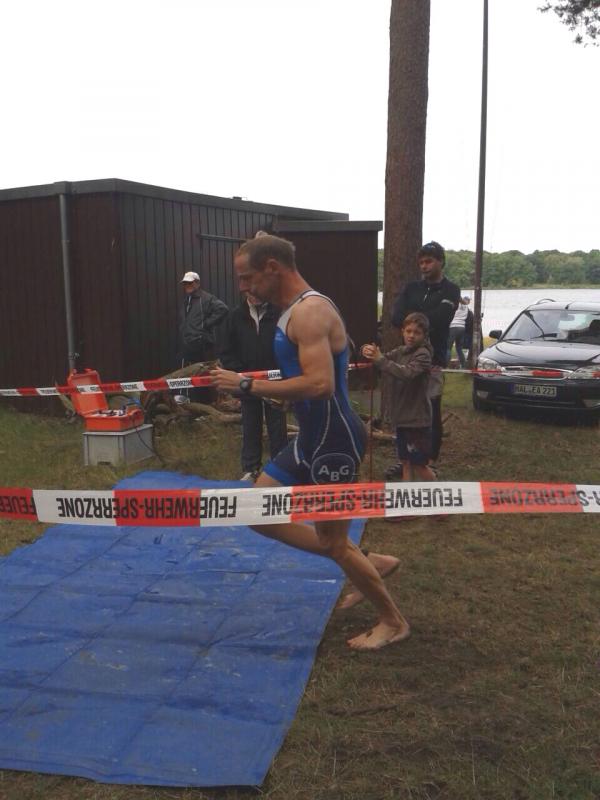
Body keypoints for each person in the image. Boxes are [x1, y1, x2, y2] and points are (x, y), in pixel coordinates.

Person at [211, 234, 409, 651]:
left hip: (333, 442)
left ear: (272, 268)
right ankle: (370, 561)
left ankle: (393, 621)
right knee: (257, 511)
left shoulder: (310, 312)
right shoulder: (294, 311)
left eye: (247, 277)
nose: (243, 287)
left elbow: (320, 385)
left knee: (332, 542)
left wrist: (247, 385)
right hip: (311, 438)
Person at [389, 241, 460, 477]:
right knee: (408, 409)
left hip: (434, 359)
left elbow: (442, 318)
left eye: (429, 261)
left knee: (431, 409)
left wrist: (414, 320)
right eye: (421, 262)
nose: (424, 266)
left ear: (441, 261)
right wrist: (418, 323)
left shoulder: (451, 290)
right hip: (408, 358)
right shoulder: (412, 288)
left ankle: (429, 460)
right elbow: (395, 316)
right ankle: (407, 458)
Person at [219, 291, 288, 482]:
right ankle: (251, 469)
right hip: (246, 383)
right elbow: (225, 350)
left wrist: (283, 373)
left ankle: (280, 468)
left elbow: (288, 344)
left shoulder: (278, 313)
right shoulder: (235, 316)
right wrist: (239, 374)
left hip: (274, 383)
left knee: (277, 427)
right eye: (251, 291)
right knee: (250, 425)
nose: (255, 295)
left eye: (258, 291)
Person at [362, 312, 435, 483]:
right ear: (402, 331)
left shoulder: (423, 355)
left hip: (417, 422)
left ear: (424, 335)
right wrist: (369, 351)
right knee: (405, 462)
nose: (411, 335)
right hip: (402, 419)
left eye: (417, 332)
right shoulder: (401, 351)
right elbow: (382, 359)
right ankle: (406, 495)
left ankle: (437, 492)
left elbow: (406, 373)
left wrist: (380, 360)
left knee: (419, 464)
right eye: (408, 331)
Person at [178, 271, 228, 401]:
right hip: (188, 342)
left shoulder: (206, 298)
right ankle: (186, 397)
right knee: (187, 371)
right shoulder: (187, 300)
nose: (187, 286)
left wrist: (206, 324)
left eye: (190, 283)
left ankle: (208, 400)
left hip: (202, 342)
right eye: (185, 283)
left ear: (197, 283)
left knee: (204, 373)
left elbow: (223, 309)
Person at [447, 296, 471, 369]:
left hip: (453, 326)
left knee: (448, 348)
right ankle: (463, 366)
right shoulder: (466, 308)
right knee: (459, 348)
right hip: (462, 327)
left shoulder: (457, 304)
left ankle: (445, 365)